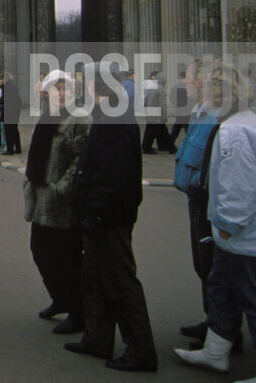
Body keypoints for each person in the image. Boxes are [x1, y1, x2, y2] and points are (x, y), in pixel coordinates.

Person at [174, 60, 256, 381]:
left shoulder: (234, 132)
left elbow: (239, 188)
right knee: (221, 289)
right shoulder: (246, 123)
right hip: (246, 232)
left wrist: (226, 227)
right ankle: (216, 350)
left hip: (243, 235)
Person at [65, 61, 157, 372]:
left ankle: (141, 351)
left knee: (120, 283)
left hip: (108, 217)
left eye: (86, 84)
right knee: (94, 280)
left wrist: (96, 214)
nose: (83, 89)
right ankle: (97, 338)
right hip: (102, 215)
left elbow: (114, 176)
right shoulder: (112, 114)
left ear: (97, 86)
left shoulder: (113, 119)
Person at [23, 70, 90, 335]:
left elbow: (80, 159)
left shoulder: (80, 119)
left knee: (66, 258)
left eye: (66, 90)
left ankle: (77, 310)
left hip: (63, 203)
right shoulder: (46, 116)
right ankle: (60, 298)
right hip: (41, 197)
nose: (61, 94)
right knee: (39, 251)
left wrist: (63, 187)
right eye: (56, 90)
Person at [141, 70, 174, 154]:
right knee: (160, 130)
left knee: (150, 130)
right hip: (157, 114)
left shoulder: (153, 87)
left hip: (150, 112)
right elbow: (162, 104)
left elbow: (147, 99)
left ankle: (146, 146)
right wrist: (164, 115)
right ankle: (170, 147)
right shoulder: (161, 89)